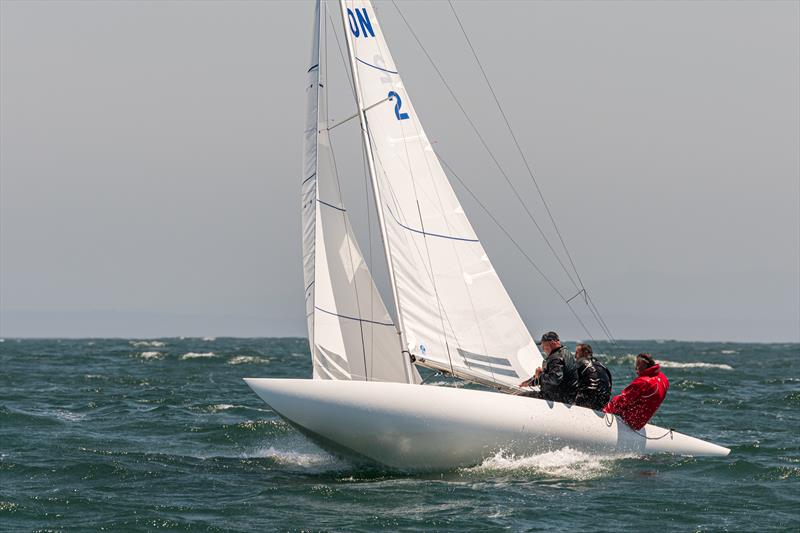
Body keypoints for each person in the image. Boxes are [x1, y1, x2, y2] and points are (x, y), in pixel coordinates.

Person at [603, 353, 669, 430]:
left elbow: (623, 400)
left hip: (631, 421)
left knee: (618, 402)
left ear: (644, 365)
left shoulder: (643, 382)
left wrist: (605, 409)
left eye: (638, 365)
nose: (636, 369)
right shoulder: (663, 379)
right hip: (642, 421)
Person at [519, 331, 578, 404]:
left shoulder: (556, 358)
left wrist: (541, 374)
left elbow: (554, 379)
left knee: (520, 397)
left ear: (552, 342)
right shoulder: (564, 353)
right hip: (567, 396)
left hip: (560, 398)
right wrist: (529, 382)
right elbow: (548, 376)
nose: (543, 349)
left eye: (544, 345)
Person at [574, 343, 613, 410]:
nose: (575, 356)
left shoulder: (581, 363)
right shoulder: (602, 366)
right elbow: (610, 384)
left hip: (587, 402)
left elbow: (572, 383)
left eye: (577, 353)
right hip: (603, 402)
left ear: (585, 353)